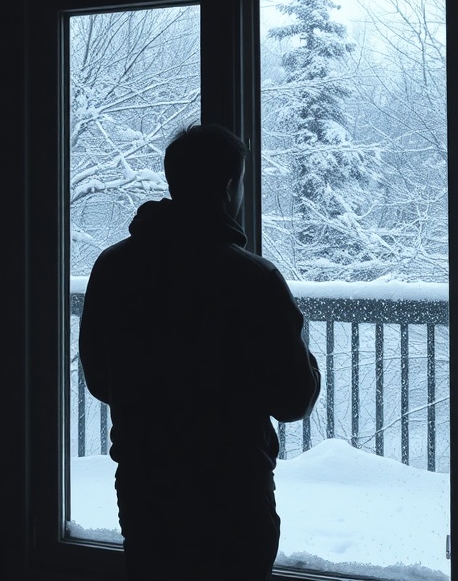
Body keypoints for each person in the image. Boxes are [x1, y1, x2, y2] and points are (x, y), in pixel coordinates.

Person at [79, 123, 321, 581]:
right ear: (230, 188)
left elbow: (98, 378)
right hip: (234, 494)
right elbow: (293, 399)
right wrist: (299, 338)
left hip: (145, 488)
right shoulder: (253, 280)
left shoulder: (114, 266)